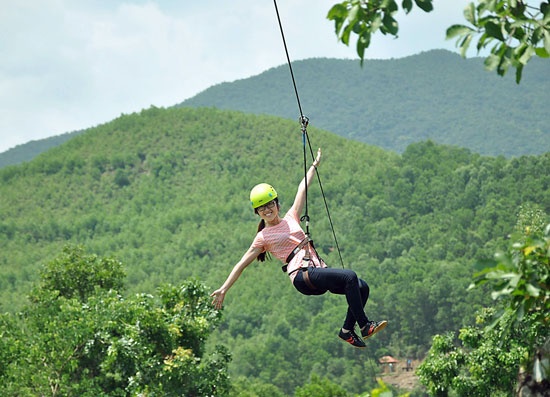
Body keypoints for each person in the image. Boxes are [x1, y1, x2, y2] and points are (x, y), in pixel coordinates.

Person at [210, 148, 387, 348]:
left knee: (362, 287)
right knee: (350, 277)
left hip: (317, 270)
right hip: (302, 275)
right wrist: (224, 288)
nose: (267, 210)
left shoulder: (291, 216)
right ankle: (364, 326)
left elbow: (302, 188)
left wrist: (314, 166)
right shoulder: (262, 238)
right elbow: (241, 264)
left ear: (277, 204)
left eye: (270, 205)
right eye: (262, 208)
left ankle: (346, 330)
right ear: (257, 213)